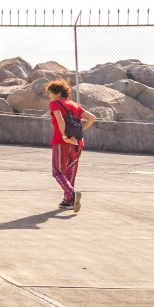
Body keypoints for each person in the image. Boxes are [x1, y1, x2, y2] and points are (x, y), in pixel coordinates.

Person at [47, 79, 96, 212]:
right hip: (78, 142)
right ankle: (68, 201)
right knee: (71, 171)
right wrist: (79, 131)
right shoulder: (75, 105)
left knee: (58, 171)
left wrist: (65, 136)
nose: (49, 95)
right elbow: (92, 118)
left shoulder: (55, 103)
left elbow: (60, 120)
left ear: (58, 92)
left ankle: (71, 194)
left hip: (61, 141)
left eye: (51, 92)